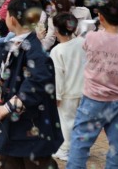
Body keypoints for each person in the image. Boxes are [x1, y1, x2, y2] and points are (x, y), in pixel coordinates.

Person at [0, 0, 63, 168]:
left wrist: (9, 107)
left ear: (11, 19)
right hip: (13, 128)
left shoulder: (37, 53)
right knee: (9, 162)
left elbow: (35, 85)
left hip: (34, 128)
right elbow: (2, 70)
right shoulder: (12, 44)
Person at [66, 0, 118, 169]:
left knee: (80, 144)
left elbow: (83, 43)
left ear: (100, 17)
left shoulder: (92, 38)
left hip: (92, 101)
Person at [50, 12, 86, 162]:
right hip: (84, 91)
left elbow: (58, 76)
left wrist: (56, 96)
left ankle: (65, 149)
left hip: (67, 93)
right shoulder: (82, 43)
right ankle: (80, 149)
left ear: (57, 30)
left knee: (66, 122)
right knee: (81, 122)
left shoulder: (57, 50)